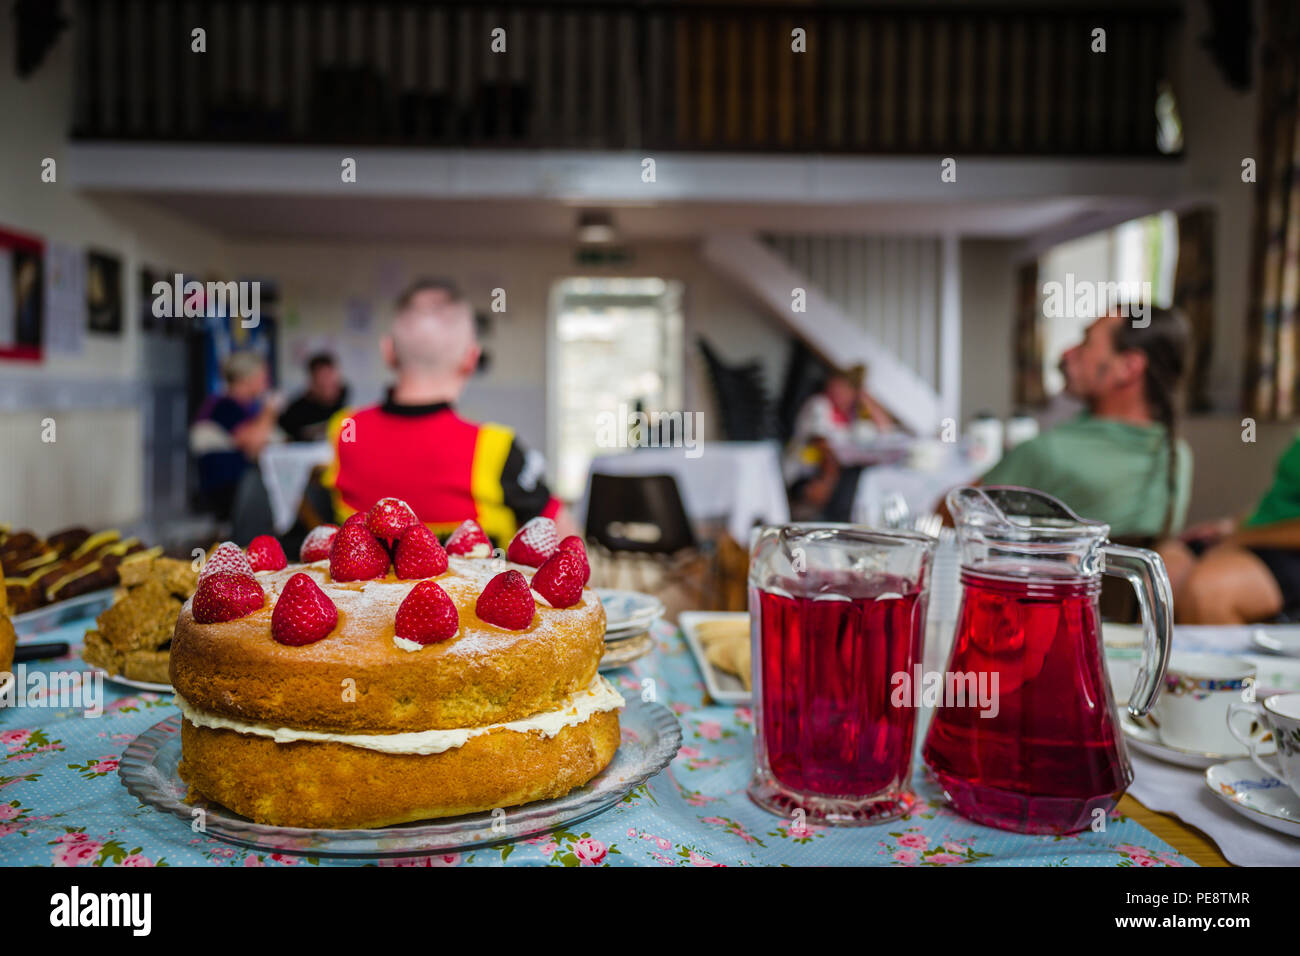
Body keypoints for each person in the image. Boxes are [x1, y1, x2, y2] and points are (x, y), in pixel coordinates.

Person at [322, 291, 578, 543]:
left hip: (359, 587)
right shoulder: (496, 446)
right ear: (471, 358)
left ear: (388, 352)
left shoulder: (344, 429)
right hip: (477, 585)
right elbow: (565, 540)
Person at [974, 307, 1192, 539]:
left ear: (1128, 367)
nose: (1068, 352)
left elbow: (953, 514)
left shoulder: (1047, 453)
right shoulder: (1178, 455)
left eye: (1086, 341)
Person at [1158, 433, 1300, 624]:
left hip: (1287, 550)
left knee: (1208, 592)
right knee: (1162, 572)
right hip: (1256, 535)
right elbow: (1279, 502)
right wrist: (1231, 526)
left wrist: (1241, 538)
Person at [784, 368, 893, 521]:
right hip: (809, 473)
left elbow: (886, 430)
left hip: (837, 474)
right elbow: (822, 445)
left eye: (844, 388)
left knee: (863, 477)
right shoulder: (818, 405)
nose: (836, 391)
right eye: (835, 385)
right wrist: (827, 481)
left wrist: (867, 399)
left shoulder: (854, 415)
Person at [190, 350, 280, 520]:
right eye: (262, 377)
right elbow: (254, 444)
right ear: (247, 378)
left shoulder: (249, 407)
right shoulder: (223, 405)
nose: (266, 383)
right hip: (230, 487)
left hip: (244, 484)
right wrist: (270, 410)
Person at [278, 353, 348, 442]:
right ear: (312, 382)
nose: (328, 384)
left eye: (332, 381)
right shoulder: (295, 411)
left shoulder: (343, 395)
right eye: (322, 382)